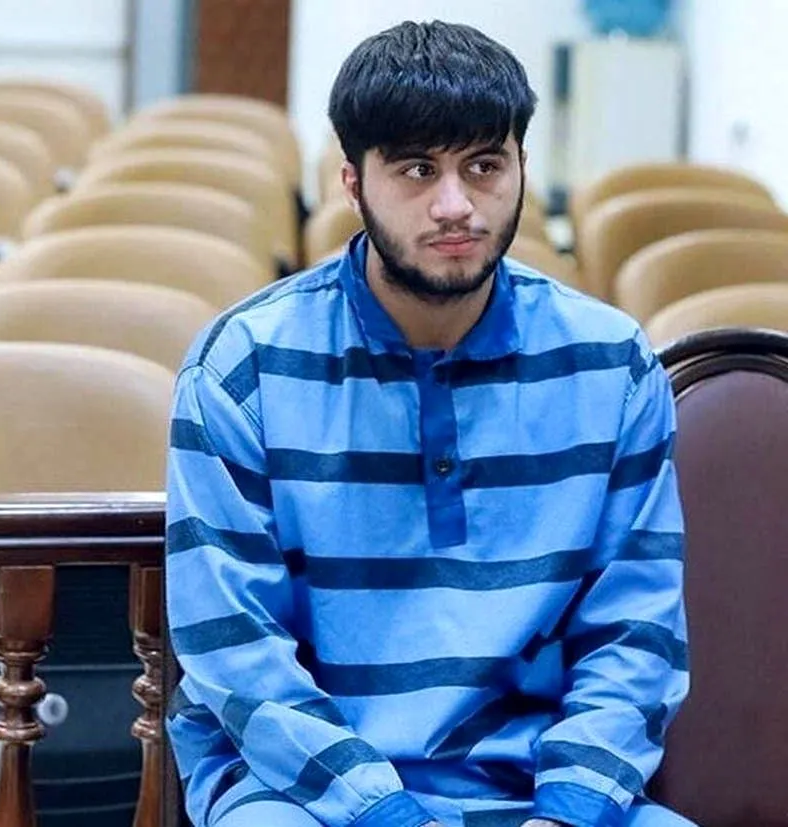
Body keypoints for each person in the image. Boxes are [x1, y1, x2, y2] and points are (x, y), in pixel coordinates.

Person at [163, 20, 692, 827]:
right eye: (417, 169)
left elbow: (635, 634)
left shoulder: (611, 365)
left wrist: (570, 808)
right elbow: (237, 652)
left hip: (537, 787)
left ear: (522, 167)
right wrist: (386, 813)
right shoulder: (243, 369)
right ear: (352, 183)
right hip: (303, 792)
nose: (456, 206)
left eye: (484, 165)